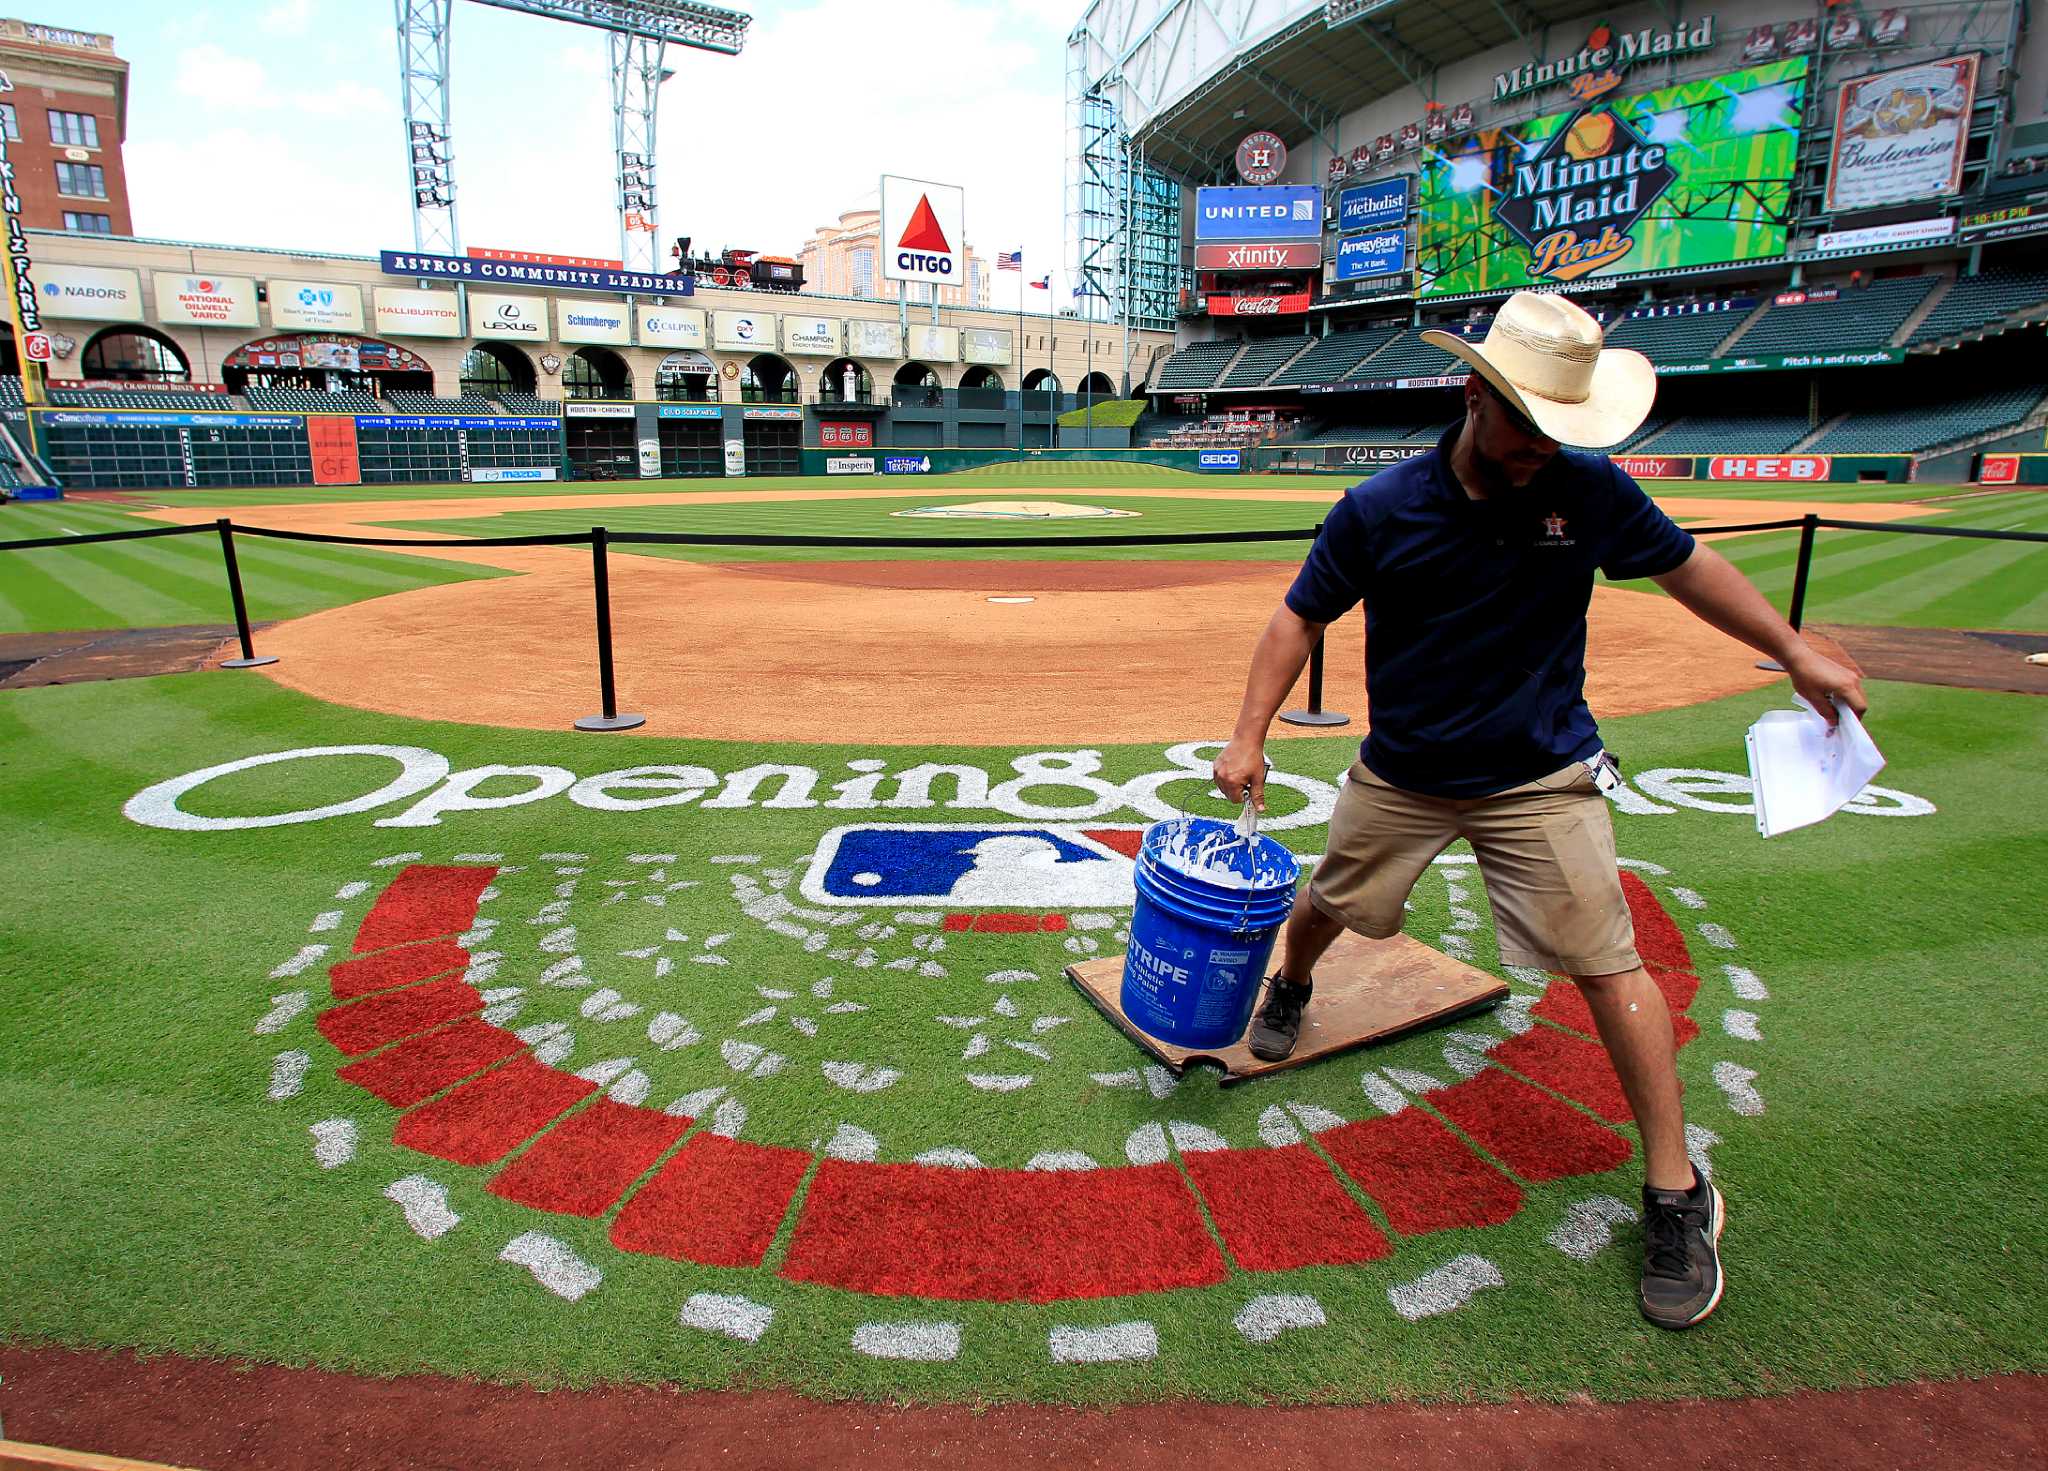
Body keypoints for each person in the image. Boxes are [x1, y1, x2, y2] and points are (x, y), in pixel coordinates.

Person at [1212, 291, 1866, 1331]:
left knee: (1608, 961)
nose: (1539, 450)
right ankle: (1291, 984)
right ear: (1474, 396)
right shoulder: (1381, 509)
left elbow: (1686, 565)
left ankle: (1672, 1193)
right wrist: (1247, 732)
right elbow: (1299, 617)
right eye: (1525, 425)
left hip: (1538, 774)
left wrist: (1791, 648)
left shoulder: (1585, 490)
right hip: (1404, 771)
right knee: (1327, 904)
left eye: (1559, 429)